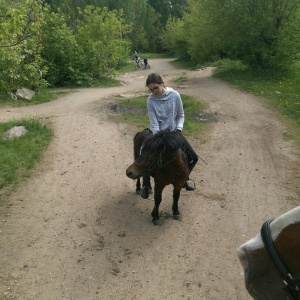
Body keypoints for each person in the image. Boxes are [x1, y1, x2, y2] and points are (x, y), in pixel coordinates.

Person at [145, 73, 198, 191]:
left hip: (175, 134)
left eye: (155, 88)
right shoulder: (150, 101)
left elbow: (180, 115)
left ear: (162, 83)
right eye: (150, 90)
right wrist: (158, 138)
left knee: (193, 157)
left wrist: (179, 130)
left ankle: (185, 178)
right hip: (158, 134)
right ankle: (146, 184)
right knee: (145, 156)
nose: (153, 92)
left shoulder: (175, 95)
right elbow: (154, 123)